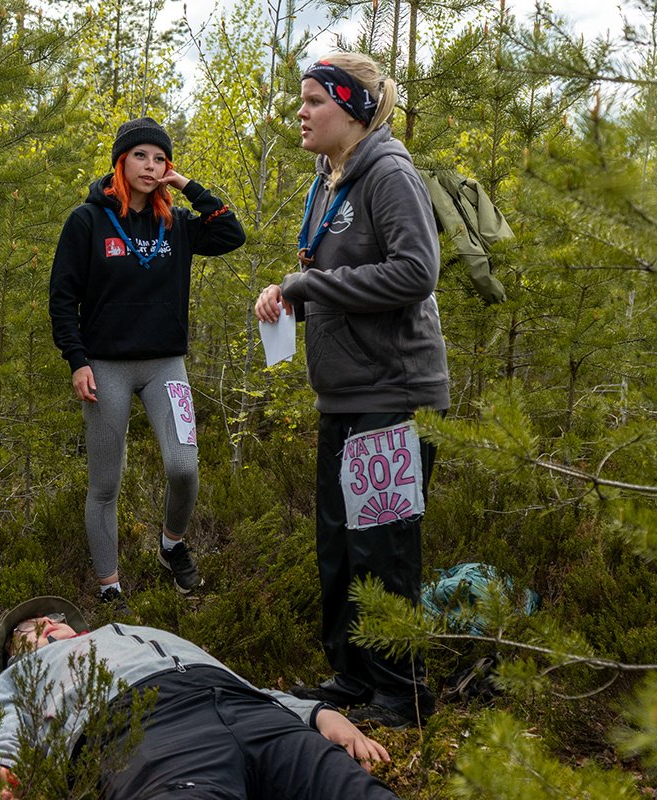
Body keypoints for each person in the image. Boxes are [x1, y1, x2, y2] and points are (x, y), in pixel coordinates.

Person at [254, 53, 449, 728]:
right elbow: (338, 280)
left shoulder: (389, 174)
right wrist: (291, 298)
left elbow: (417, 272)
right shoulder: (327, 181)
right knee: (339, 543)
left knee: (382, 548)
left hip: (393, 391)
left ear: (353, 109)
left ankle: (402, 694)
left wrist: (312, 285)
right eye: (301, 99)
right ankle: (352, 676)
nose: (301, 111)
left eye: (314, 100)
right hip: (343, 394)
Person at [49, 117, 245, 604]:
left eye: (161, 159)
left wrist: (187, 186)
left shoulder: (176, 224)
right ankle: (109, 586)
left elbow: (231, 233)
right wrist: (77, 360)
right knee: (105, 484)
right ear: (121, 161)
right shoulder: (86, 221)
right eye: (141, 155)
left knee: (184, 467)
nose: (151, 166)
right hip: (105, 367)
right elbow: (62, 298)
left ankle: (171, 545)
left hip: (165, 366)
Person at [0, 595, 402, 800]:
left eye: (51, 617)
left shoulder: (133, 633)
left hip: (251, 712)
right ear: (12, 655)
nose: (44, 622)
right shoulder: (16, 675)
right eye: (27, 629)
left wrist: (318, 714)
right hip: (143, 728)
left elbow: (242, 682)